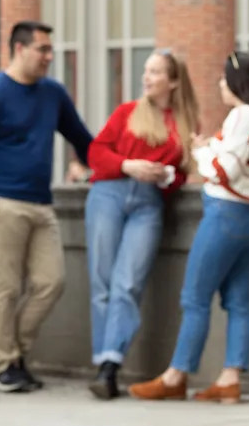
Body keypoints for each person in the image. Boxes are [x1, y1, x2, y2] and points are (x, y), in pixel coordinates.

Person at [128, 51, 249, 404]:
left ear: (238, 83)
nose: (219, 84)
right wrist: (210, 147)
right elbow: (236, 159)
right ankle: (229, 380)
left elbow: (223, 171)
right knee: (238, 301)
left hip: (226, 216)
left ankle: (176, 375)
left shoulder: (243, 115)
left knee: (195, 297)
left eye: (225, 77)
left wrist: (200, 155)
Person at [0, 21, 93, 393]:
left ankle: (14, 353)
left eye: (50, 50)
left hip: (40, 203)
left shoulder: (53, 94)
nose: (50, 57)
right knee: (4, 288)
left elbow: (83, 140)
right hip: (0, 203)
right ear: (19, 49)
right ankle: (3, 365)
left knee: (51, 282)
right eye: (43, 50)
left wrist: (117, 164)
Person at [83, 49, 199, 399]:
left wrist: (165, 176)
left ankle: (110, 365)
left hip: (149, 203)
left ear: (173, 81)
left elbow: (180, 174)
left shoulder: (185, 124)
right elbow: (95, 153)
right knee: (102, 280)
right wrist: (128, 165)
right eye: (146, 71)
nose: (146, 77)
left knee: (127, 283)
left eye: (155, 72)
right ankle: (105, 364)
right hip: (108, 194)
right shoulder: (127, 113)